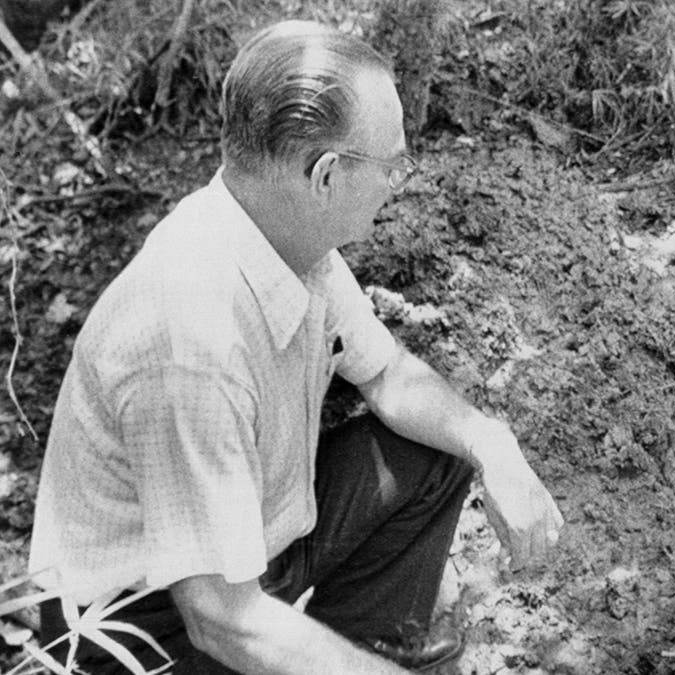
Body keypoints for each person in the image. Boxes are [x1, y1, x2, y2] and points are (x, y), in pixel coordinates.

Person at [27, 19, 563, 674]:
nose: (400, 182)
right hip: (143, 628)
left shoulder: (288, 238)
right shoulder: (188, 341)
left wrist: (493, 444)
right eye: (393, 165)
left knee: (433, 450)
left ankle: (366, 651)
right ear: (327, 175)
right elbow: (222, 620)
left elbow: (390, 373)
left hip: (251, 547)